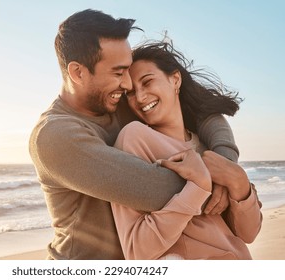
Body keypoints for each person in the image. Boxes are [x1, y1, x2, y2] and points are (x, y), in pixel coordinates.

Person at [29, 9, 240, 260]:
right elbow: (156, 190)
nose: (129, 85)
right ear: (78, 73)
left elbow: (203, 112)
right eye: (118, 73)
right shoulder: (55, 136)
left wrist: (224, 161)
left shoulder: (117, 102)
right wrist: (221, 182)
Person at [111, 42, 262, 259]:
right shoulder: (135, 138)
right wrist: (197, 187)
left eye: (147, 82)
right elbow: (137, 252)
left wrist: (239, 182)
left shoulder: (209, 146)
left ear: (175, 79)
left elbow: (249, 233)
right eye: (131, 93)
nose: (141, 97)